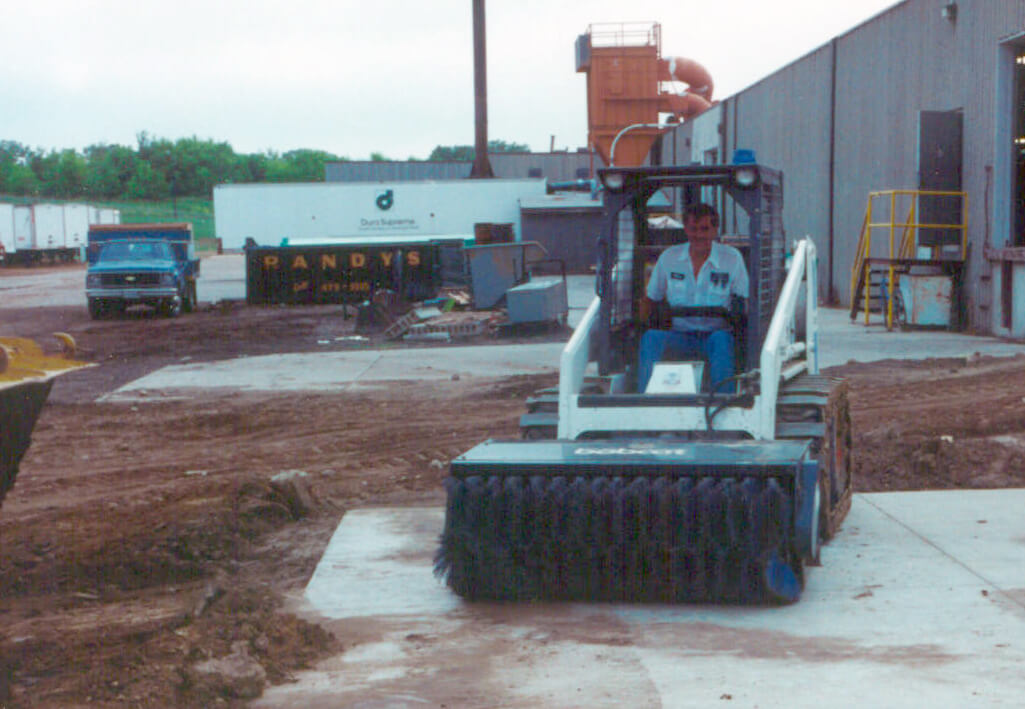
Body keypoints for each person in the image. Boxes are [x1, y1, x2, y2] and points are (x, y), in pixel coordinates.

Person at [637, 203, 749, 393]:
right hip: (680, 335)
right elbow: (650, 299)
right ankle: (644, 401)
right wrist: (639, 326)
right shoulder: (668, 258)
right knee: (650, 338)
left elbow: (746, 302)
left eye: (705, 229)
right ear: (686, 230)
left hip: (715, 336)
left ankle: (724, 403)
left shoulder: (732, 259)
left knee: (722, 340)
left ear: (715, 229)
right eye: (693, 229)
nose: (698, 235)